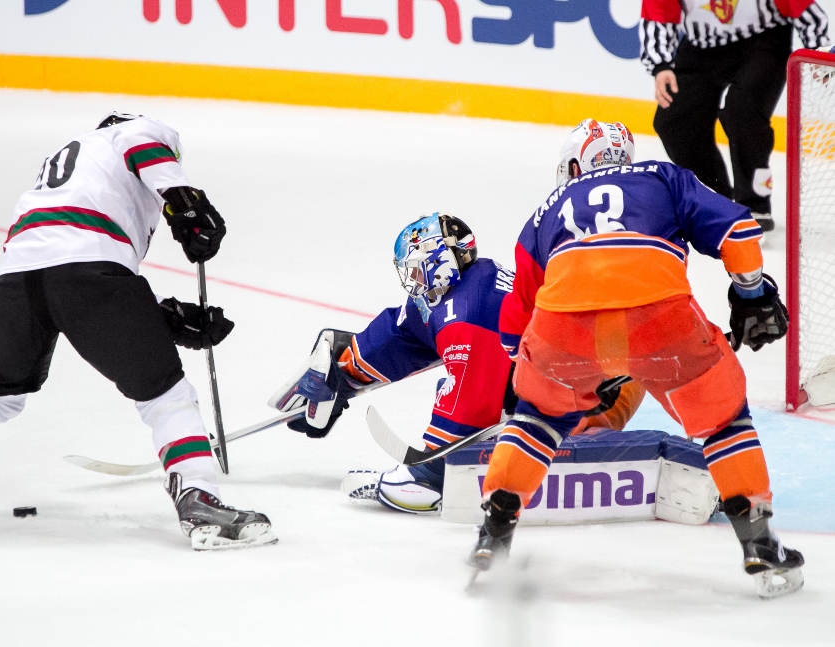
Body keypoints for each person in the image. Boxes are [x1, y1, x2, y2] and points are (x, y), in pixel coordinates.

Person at [471, 118, 801, 599]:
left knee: (537, 417)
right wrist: (750, 292)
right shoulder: (662, 177)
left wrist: (535, 382)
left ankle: (495, 527)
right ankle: (759, 545)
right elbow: (738, 229)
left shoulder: (544, 212)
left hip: (561, 331)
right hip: (660, 321)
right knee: (724, 420)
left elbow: (515, 319)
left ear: (576, 164)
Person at [0, 112, 276, 551]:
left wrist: (161, 321)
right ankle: (197, 493)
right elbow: (89, 277)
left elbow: (65, 269)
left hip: (12, 281)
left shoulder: (67, 160)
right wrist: (184, 201)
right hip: (89, 275)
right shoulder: (131, 132)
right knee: (165, 395)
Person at [268, 212, 645, 514]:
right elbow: (401, 333)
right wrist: (341, 374)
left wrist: (426, 473)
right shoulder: (454, 292)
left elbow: (467, 414)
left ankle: (580, 436)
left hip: (607, 386)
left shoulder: (469, 314)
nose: (412, 282)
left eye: (416, 270)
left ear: (441, 261)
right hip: (593, 362)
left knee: (521, 416)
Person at [640, 0, 830, 231]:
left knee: (744, 111)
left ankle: (754, 201)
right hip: (702, 47)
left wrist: (817, 48)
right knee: (674, 121)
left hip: (764, 41)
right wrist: (661, 65)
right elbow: (658, 10)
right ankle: (713, 196)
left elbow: (801, 5)